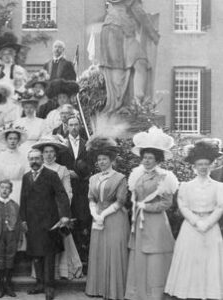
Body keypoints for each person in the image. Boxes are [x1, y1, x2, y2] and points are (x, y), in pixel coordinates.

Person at [165, 139, 223, 300]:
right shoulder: (186, 186)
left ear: (211, 165)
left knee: (210, 261)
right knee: (191, 260)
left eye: (206, 164)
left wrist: (207, 223)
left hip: (211, 228)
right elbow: (183, 206)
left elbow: (220, 207)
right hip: (191, 228)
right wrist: (197, 222)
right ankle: (190, 293)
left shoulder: (219, 187)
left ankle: (209, 293)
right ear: (194, 167)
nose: (203, 167)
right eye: (200, 164)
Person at [125, 127, 179, 300]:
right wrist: (136, 207)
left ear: (158, 159)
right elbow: (134, 197)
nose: (146, 161)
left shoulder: (164, 177)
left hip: (156, 224)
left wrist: (146, 207)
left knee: (155, 259)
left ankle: (154, 294)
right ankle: (138, 293)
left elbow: (167, 203)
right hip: (139, 223)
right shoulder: (137, 174)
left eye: (150, 158)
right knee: (139, 256)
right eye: (145, 157)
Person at [20, 148, 70, 300]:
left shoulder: (51, 175)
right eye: (31, 159)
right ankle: (40, 284)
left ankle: (49, 286)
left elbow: (62, 196)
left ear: (42, 159)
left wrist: (64, 216)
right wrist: (23, 219)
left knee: (48, 255)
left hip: (49, 221)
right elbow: (23, 199)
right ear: (29, 161)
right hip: (32, 222)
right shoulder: (26, 177)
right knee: (36, 254)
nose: (34, 161)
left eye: (37, 158)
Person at [84, 136, 129, 300]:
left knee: (114, 250)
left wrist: (103, 214)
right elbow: (91, 199)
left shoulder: (120, 178)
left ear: (111, 160)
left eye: (105, 159)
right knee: (99, 251)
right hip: (97, 218)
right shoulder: (93, 178)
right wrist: (95, 214)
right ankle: (99, 288)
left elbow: (120, 201)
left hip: (115, 217)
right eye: (99, 159)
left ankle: (114, 290)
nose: (102, 162)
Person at [34, 135, 82, 280]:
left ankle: (61, 271)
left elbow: (68, 192)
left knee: (60, 238)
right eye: (46, 151)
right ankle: (42, 275)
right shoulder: (37, 169)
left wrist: (62, 212)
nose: (48, 154)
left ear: (55, 154)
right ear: (42, 154)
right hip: (41, 211)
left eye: (51, 151)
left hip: (58, 210)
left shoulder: (62, 170)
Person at [99, 0, 159, 114]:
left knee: (116, 71)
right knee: (140, 61)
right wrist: (154, 34)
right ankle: (137, 103)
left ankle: (122, 105)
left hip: (107, 29)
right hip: (121, 29)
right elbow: (139, 13)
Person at [60, 115, 93, 266]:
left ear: (80, 126)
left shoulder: (87, 144)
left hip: (81, 188)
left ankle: (82, 252)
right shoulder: (61, 145)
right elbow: (58, 164)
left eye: (76, 124)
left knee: (82, 217)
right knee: (68, 217)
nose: (73, 127)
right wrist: (68, 172)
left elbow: (91, 165)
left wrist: (79, 174)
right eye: (70, 125)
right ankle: (69, 256)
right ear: (66, 126)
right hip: (66, 187)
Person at [0, 180, 21, 298]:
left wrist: (18, 238)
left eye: (7, 188)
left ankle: (8, 285)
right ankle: (1, 286)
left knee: (10, 258)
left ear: (11, 190)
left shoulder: (15, 205)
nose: (5, 190)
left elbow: (19, 223)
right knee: (0, 259)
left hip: (11, 236)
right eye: (2, 187)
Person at [0, 32, 28, 122]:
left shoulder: (19, 70)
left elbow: (24, 89)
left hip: (14, 104)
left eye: (9, 54)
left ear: (13, 55)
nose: (7, 56)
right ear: (1, 56)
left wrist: (18, 98)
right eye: (4, 54)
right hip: (0, 104)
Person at [0, 123, 29, 203]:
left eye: (15, 139)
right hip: (3, 190)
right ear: (6, 140)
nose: (13, 141)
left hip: (19, 190)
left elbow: (27, 177)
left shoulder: (24, 157)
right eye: (10, 138)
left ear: (18, 140)